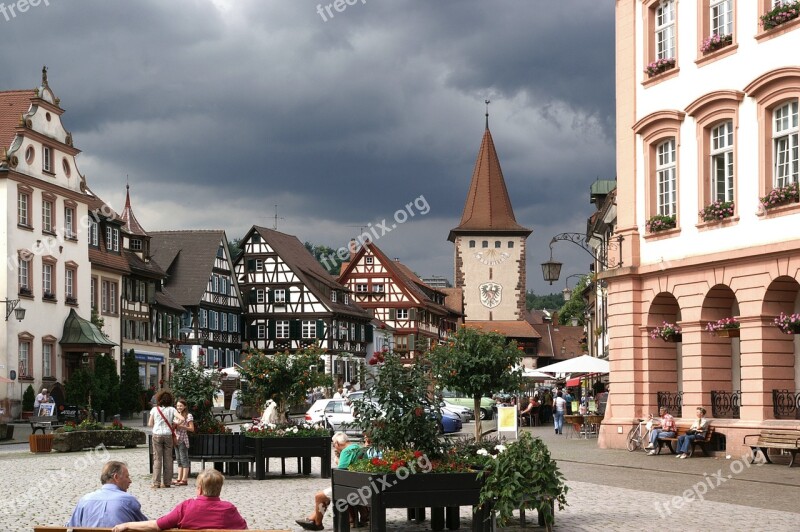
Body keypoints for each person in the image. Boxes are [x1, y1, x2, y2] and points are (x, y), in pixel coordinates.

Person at [112, 468, 246, 531]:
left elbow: (156, 525)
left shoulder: (186, 507)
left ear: (199, 489)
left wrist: (127, 524)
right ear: (219, 489)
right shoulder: (229, 509)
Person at [296, 432, 361, 531]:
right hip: (360, 484)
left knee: (320, 496)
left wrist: (337, 461)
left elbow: (340, 474)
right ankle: (311, 519)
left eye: (334, 444)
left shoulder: (346, 452)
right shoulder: (357, 447)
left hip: (350, 487)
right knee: (326, 496)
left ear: (337, 443)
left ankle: (317, 524)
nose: (335, 447)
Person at [67, 461, 148, 527]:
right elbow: (145, 526)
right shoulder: (128, 500)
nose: (130, 481)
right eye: (127, 477)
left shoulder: (84, 500)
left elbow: (71, 526)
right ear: (116, 477)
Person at [149, 390, 177, 488]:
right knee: (168, 459)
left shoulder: (154, 410)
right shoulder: (172, 409)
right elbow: (181, 419)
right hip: (168, 435)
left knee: (157, 459)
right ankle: (167, 482)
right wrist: (174, 425)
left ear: (159, 399)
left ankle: (156, 483)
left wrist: (156, 428)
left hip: (157, 434)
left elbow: (150, 423)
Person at [173, 398, 195, 486]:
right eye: (178, 406)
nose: (179, 407)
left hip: (183, 439)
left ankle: (184, 479)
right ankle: (179, 478)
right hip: (176, 439)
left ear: (185, 406)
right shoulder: (176, 415)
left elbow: (192, 429)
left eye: (181, 406)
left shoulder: (188, 415)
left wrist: (182, 427)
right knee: (178, 459)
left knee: (184, 459)